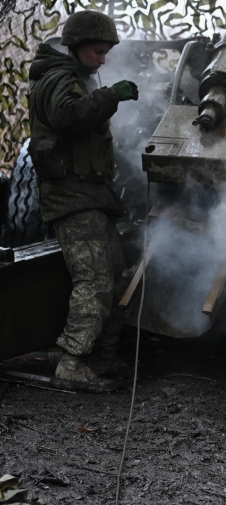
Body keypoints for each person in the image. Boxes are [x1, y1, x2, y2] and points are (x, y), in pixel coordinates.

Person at [27, 10, 139, 393]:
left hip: (90, 196)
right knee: (94, 279)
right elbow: (67, 117)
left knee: (118, 275)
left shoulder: (76, 77)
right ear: (75, 47)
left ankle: (104, 356)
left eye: (106, 52)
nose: (102, 60)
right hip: (71, 199)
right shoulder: (59, 79)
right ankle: (73, 360)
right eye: (97, 51)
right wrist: (111, 96)